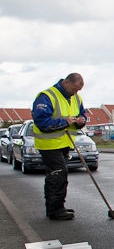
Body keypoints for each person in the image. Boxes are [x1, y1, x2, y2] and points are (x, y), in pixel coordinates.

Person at [32, 73, 87, 220]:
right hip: (49, 144)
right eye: (74, 88)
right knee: (57, 174)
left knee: (60, 174)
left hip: (65, 143)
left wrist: (82, 121)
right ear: (66, 82)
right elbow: (42, 122)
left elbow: (82, 113)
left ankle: (57, 206)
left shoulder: (76, 97)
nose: (76, 92)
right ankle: (55, 209)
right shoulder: (47, 96)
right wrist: (64, 122)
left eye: (79, 90)